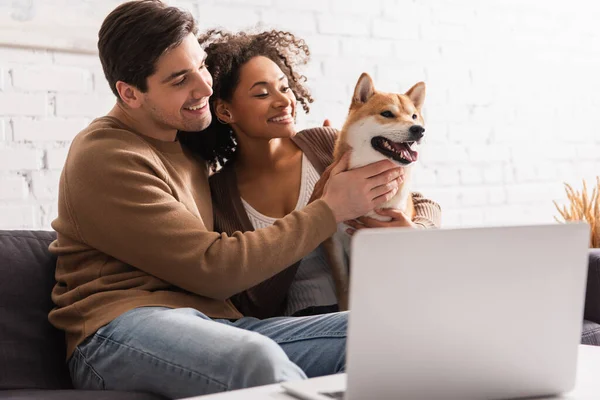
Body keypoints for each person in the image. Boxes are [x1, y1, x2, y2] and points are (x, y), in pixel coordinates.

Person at [48, 1, 406, 399]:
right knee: (255, 360)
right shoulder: (106, 155)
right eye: (180, 79)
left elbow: (414, 197)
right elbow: (213, 266)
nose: (204, 86)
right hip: (117, 330)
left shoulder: (189, 154)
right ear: (129, 94)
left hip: (215, 323)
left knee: (385, 333)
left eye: (201, 66)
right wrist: (328, 208)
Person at [179, 30, 441, 319]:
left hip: (371, 308)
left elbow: (419, 201)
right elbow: (251, 302)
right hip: (297, 325)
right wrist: (318, 215)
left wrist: (417, 232)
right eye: (263, 93)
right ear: (226, 112)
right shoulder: (220, 195)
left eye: (285, 87)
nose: (283, 101)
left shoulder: (326, 144)